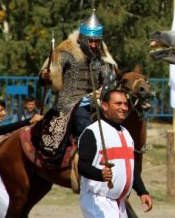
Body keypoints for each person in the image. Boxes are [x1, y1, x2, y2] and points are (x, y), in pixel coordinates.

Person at [76, 89, 152, 218]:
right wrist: (99, 174)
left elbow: (131, 169)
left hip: (118, 204)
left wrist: (142, 191)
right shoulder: (93, 132)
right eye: (118, 104)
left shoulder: (126, 134)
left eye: (125, 104)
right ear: (105, 106)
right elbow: (82, 165)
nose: (123, 107)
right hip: (97, 199)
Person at [38, 10, 117, 156]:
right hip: (72, 103)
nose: (93, 45)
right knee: (85, 130)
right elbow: (49, 81)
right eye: (90, 41)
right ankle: (86, 164)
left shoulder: (100, 57)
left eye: (97, 41)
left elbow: (107, 82)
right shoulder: (66, 53)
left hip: (97, 103)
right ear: (82, 38)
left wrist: (103, 92)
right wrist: (45, 76)